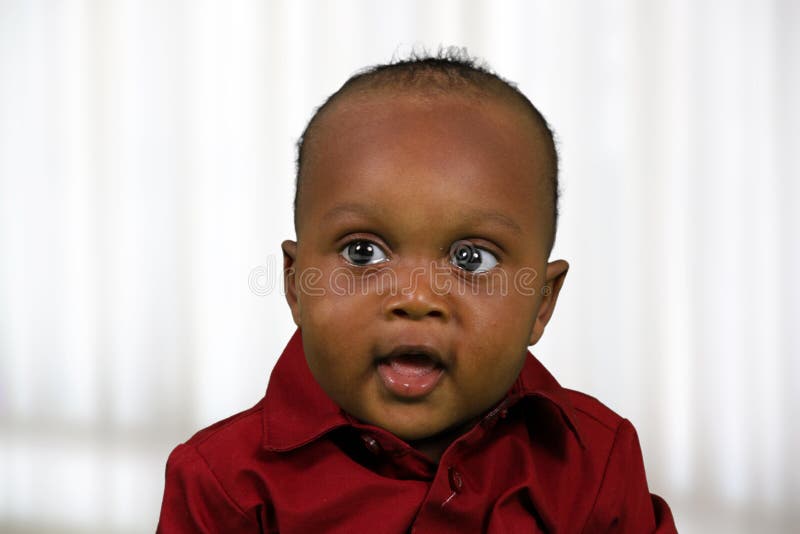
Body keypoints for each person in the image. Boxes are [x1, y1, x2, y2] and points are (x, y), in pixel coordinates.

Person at [157, 49, 677, 533]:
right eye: (364, 253)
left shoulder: (592, 461)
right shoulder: (223, 485)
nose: (416, 298)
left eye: (472, 259)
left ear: (541, 303)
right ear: (296, 285)